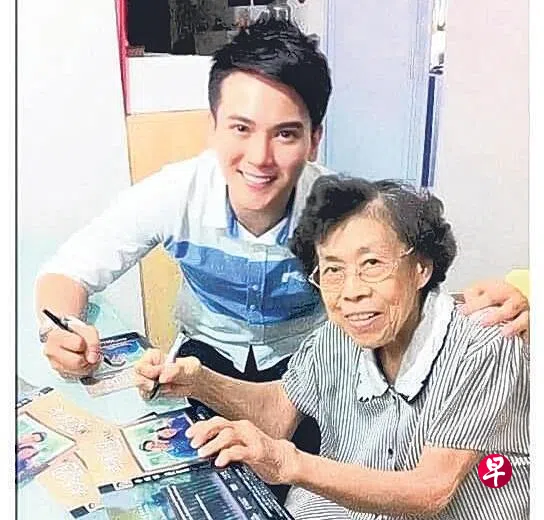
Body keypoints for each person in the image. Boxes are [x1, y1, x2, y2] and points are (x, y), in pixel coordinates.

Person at [35, 18, 527, 464]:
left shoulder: (342, 209)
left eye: (286, 134)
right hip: (203, 360)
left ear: (314, 139)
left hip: (314, 374)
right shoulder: (173, 193)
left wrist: (494, 306)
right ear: (212, 127)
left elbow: (404, 294)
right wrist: (61, 331)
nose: (259, 157)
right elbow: (68, 272)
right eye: (241, 128)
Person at [135, 177, 529, 519]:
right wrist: (198, 381)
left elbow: (431, 491)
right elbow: (278, 413)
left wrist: (288, 462)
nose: (351, 292)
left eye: (372, 264)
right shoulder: (336, 336)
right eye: (333, 270)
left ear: (421, 268)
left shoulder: (483, 344)